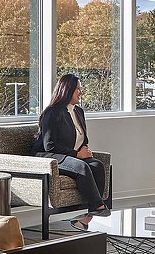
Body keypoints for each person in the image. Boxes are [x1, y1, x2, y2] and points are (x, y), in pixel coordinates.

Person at [33, 74, 110, 231]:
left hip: (70, 155)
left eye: (80, 89)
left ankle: (86, 218)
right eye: (78, 89)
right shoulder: (52, 113)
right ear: (67, 90)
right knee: (82, 167)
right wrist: (77, 155)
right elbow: (49, 145)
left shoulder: (79, 112)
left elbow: (83, 138)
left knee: (97, 165)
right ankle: (100, 208)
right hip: (49, 157)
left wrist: (84, 150)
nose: (81, 92)